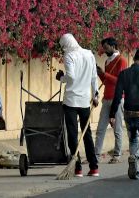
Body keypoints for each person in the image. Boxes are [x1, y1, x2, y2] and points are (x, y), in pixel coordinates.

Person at [109, 48, 139, 180]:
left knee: (133, 139)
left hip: (128, 113)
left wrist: (112, 114)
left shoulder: (123, 74)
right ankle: (135, 157)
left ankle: (137, 170)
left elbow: (117, 95)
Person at [56, 33, 100, 177]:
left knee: (73, 135)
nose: (63, 50)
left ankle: (78, 168)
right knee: (87, 134)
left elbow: (72, 77)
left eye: (63, 47)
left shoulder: (69, 56)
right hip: (85, 101)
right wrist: (96, 95)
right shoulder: (89, 54)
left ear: (66, 45)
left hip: (70, 101)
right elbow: (94, 76)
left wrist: (61, 78)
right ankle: (94, 168)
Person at [95, 37, 128, 163]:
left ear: (113, 46)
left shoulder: (121, 60)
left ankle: (117, 155)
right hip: (107, 97)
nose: (104, 50)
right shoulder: (107, 61)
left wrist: (104, 74)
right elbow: (106, 81)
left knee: (117, 128)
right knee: (100, 128)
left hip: (117, 98)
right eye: (103, 48)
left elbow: (120, 82)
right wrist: (100, 74)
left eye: (106, 47)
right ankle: (96, 155)